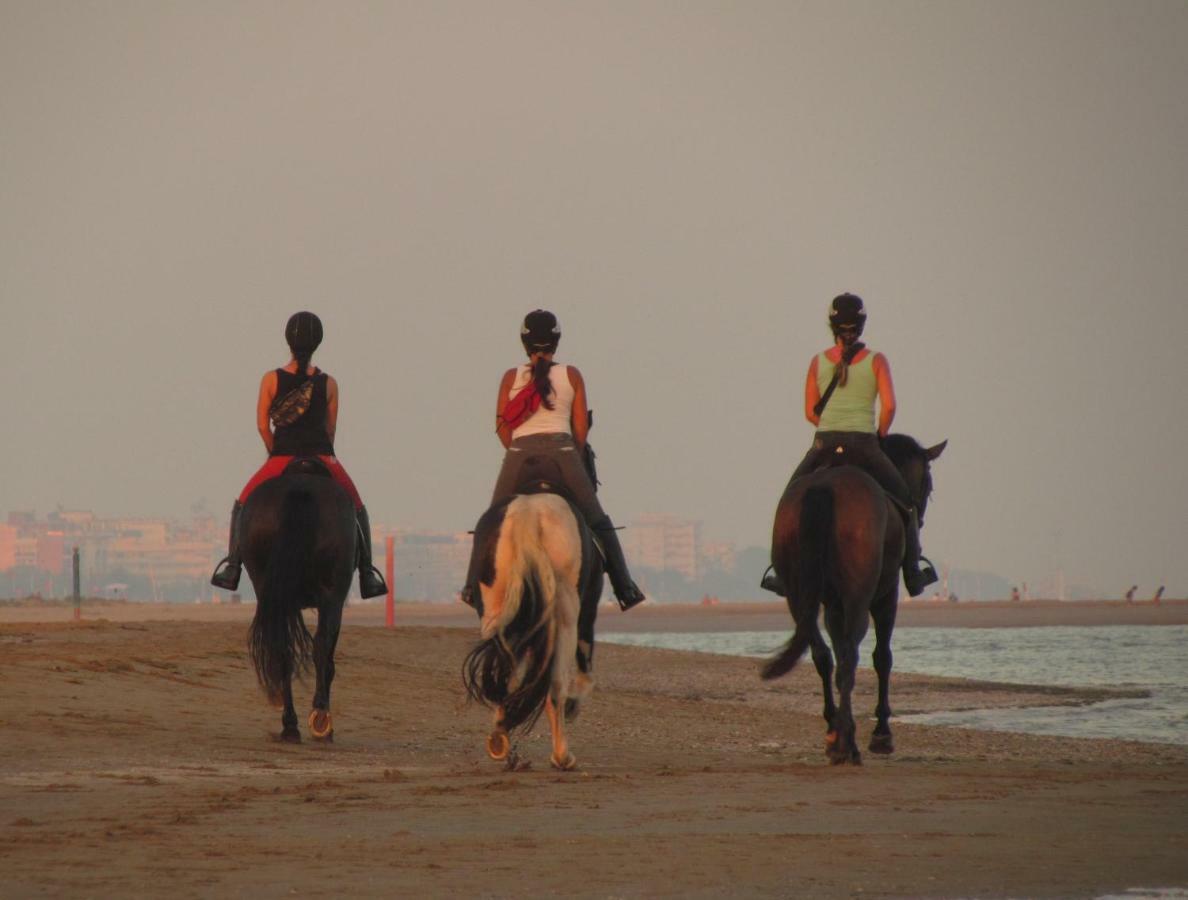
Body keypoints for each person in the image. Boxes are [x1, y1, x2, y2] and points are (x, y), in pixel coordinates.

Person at [460, 310, 645, 611]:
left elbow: (502, 429)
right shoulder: (572, 375)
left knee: (490, 522)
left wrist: (519, 448)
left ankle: (471, 588)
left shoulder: (511, 377)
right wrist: (569, 452)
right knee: (598, 521)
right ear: (557, 342)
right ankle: (625, 587)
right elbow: (581, 431)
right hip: (563, 455)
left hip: (519, 455)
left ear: (524, 342)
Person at [763, 293, 937, 597]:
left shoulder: (817, 362)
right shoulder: (876, 361)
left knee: (787, 502)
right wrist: (879, 434)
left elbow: (809, 412)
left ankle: (779, 572)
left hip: (824, 444)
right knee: (907, 505)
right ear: (861, 324)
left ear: (832, 325)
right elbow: (890, 406)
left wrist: (831, 429)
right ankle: (912, 572)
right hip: (865, 445)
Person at [210, 312, 387, 598]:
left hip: (281, 458)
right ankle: (367, 571)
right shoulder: (329, 383)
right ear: (318, 343)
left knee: (242, 504)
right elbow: (330, 431)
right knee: (356, 506)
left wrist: (274, 453)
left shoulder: (270, 379)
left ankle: (232, 565)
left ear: (288, 341)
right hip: (323, 456)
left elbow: (261, 425)